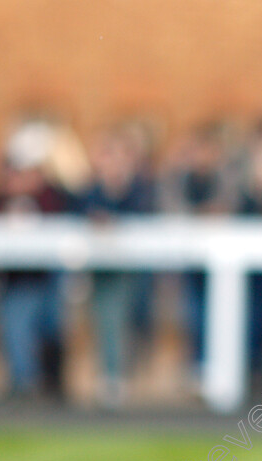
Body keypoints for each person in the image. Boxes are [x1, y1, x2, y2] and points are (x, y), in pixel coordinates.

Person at [0, 119, 77, 399]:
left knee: (52, 332)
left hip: (46, 276)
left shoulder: (51, 196)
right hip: (16, 279)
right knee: (16, 329)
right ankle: (24, 383)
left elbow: (67, 209)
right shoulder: (0, 198)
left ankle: (53, 385)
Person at [81, 122, 155, 406]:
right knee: (106, 317)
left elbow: (145, 216)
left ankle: (121, 374)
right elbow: (81, 209)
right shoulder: (91, 188)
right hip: (102, 265)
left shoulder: (138, 188)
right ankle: (111, 376)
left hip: (133, 266)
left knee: (129, 319)